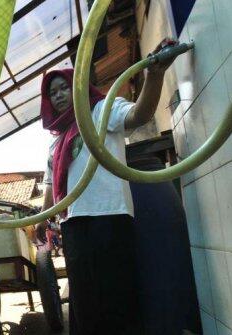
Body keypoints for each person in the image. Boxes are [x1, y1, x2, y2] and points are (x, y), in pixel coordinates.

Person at [37, 39, 180, 335]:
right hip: (74, 225)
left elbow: (140, 115)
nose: (60, 95)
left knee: (118, 300)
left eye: (64, 87)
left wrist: (155, 75)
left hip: (111, 218)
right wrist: (42, 218)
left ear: (77, 87)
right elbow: (51, 187)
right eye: (53, 93)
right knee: (84, 304)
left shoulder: (102, 110)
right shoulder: (55, 143)